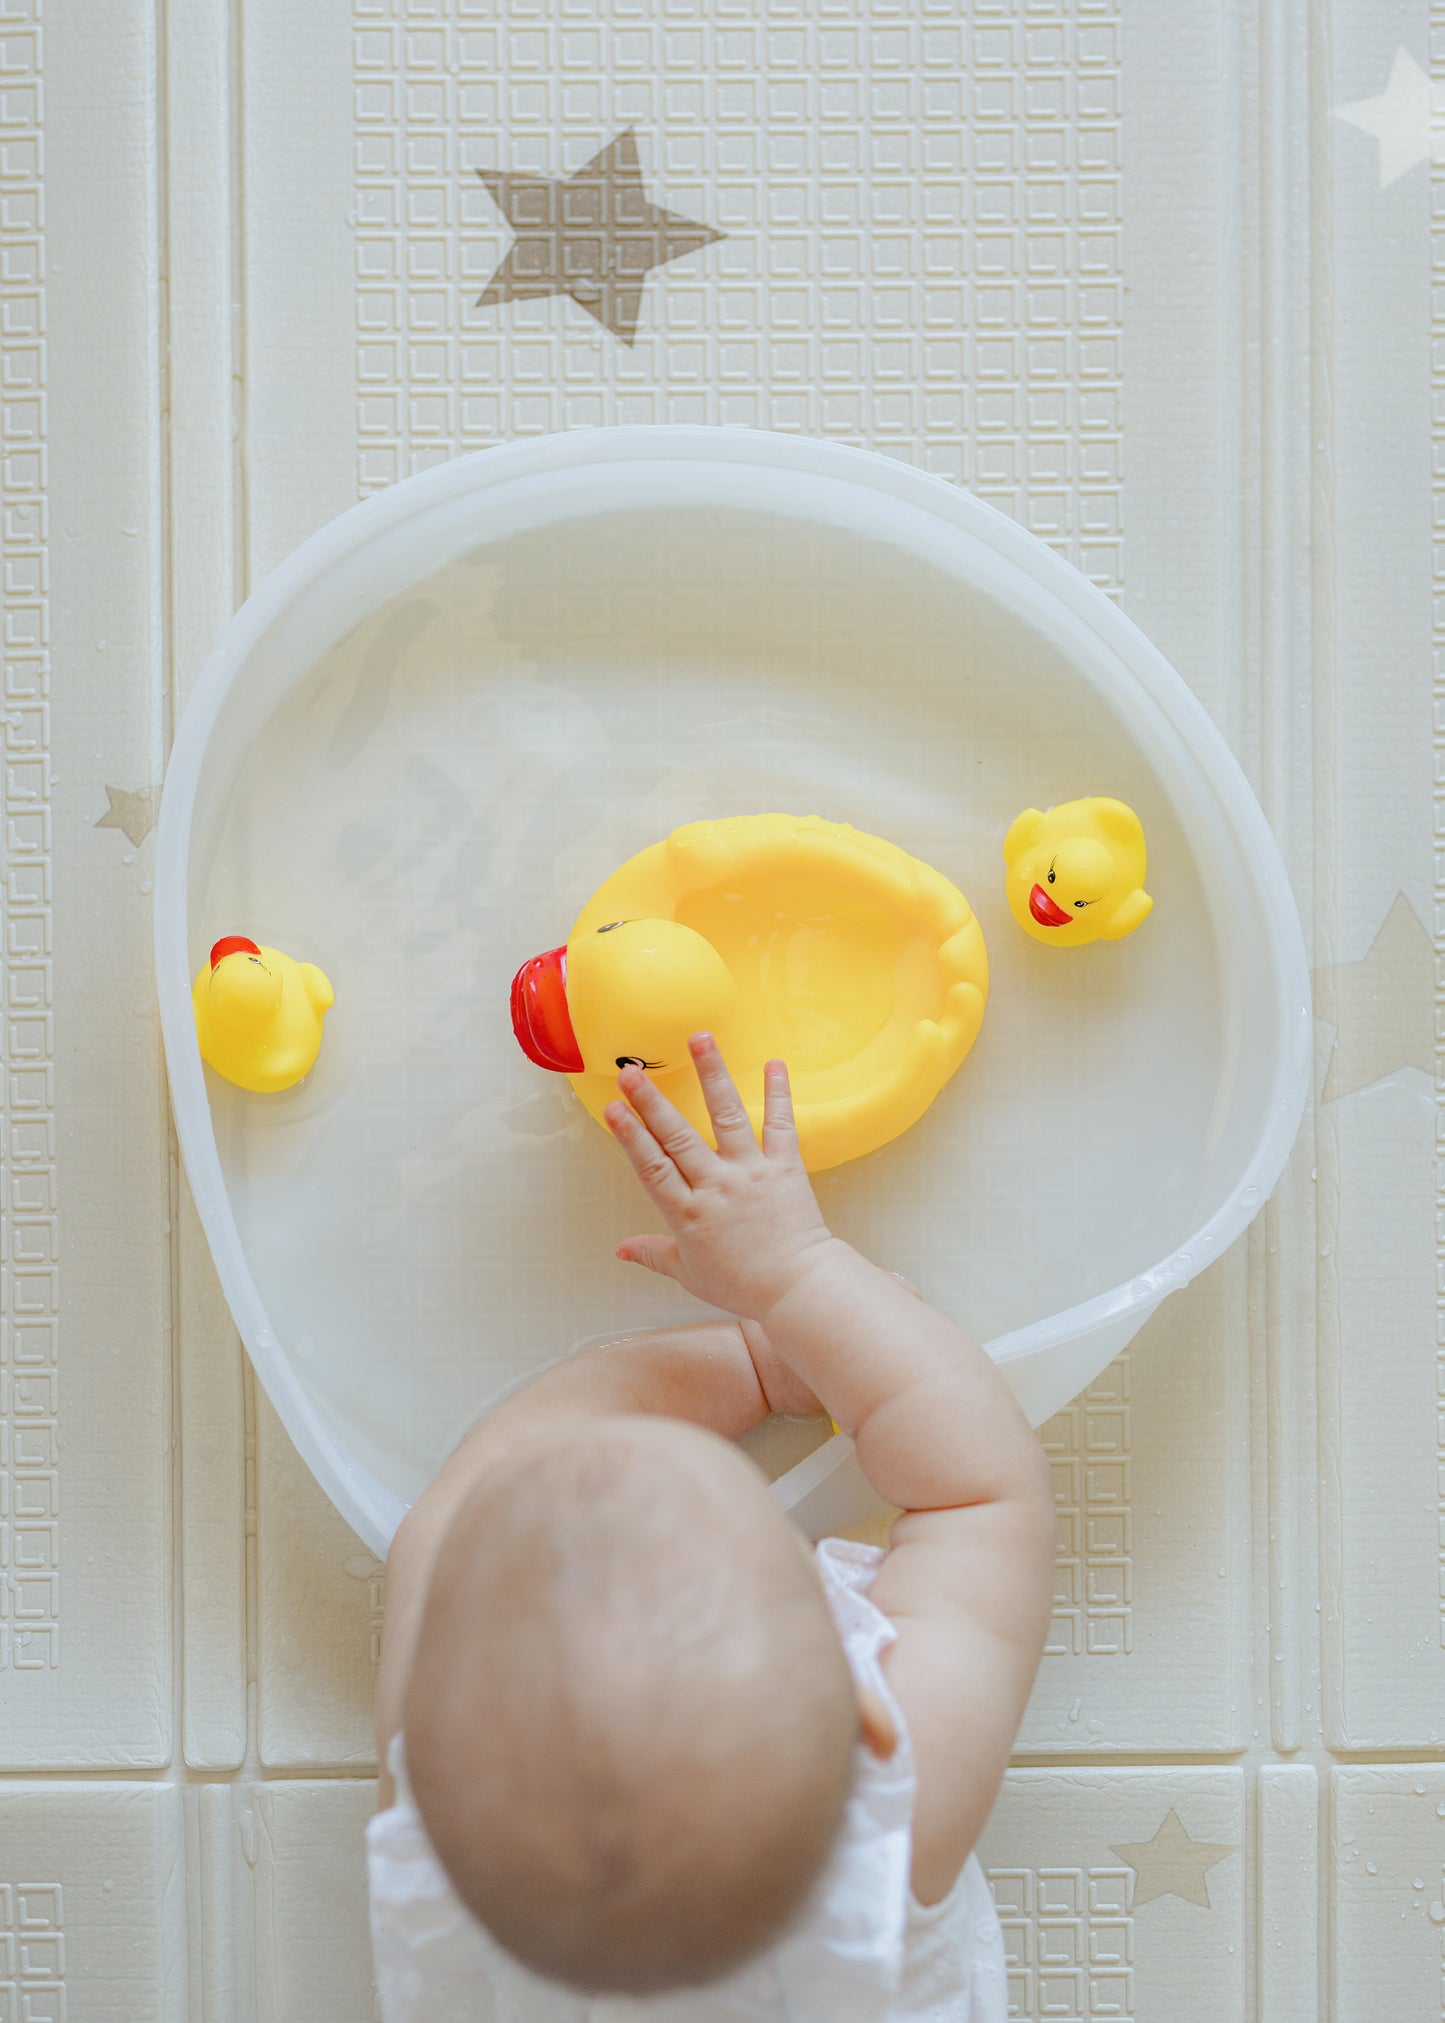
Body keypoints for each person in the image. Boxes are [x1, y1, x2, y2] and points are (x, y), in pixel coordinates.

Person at [369, 1033, 1055, 2020]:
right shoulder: (885, 1843)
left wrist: (746, 1362)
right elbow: (980, 1493)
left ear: (422, 1735)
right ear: (871, 1725)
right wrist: (790, 1283)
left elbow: (471, 1490)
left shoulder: (440, 1855)